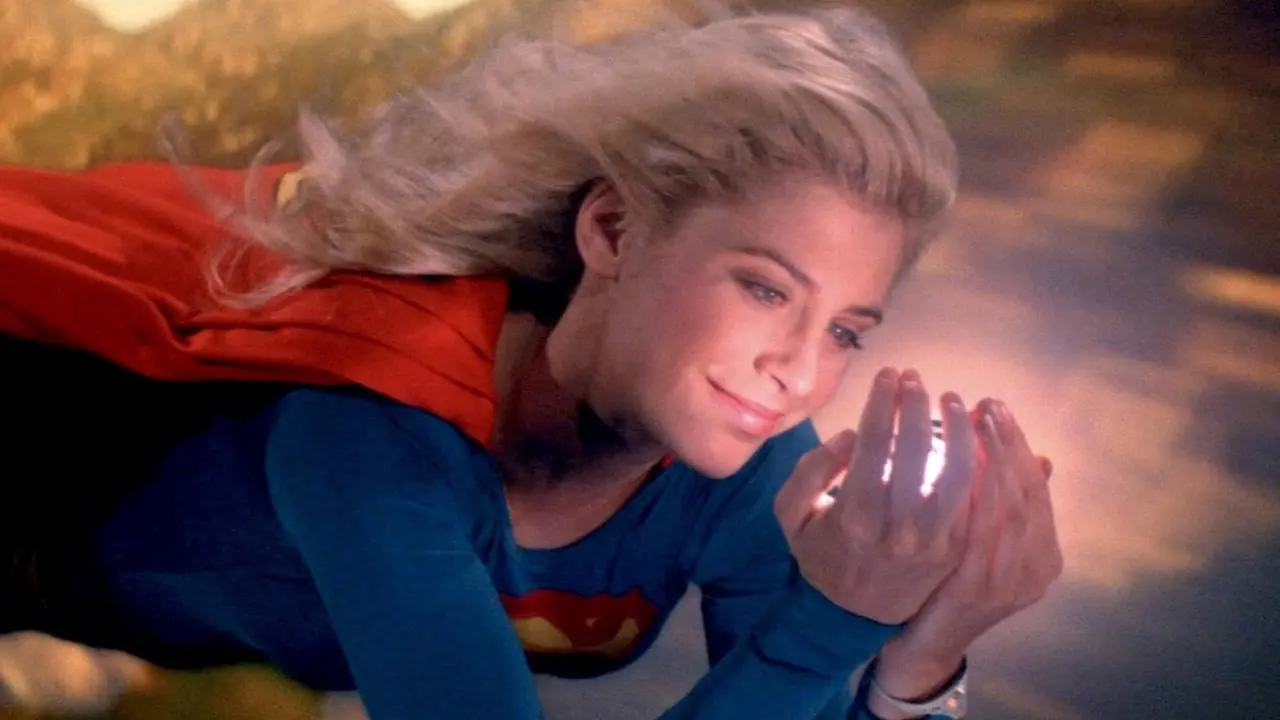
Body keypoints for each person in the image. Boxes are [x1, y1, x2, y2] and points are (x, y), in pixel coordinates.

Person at [0, 4, 1063, 720]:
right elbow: (798, 668)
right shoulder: (373, 435)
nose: (796, 369)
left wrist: (923, 659)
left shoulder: (756, 470)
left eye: (845, 331)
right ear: (612, 231)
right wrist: (831, 625)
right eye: (764, 288)